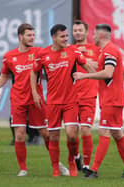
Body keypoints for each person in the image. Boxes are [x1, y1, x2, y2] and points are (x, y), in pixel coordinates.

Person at [0, 23, 69, 176]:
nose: (32, 38)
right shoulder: (9, 56)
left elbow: (55, 58)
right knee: (19, 134)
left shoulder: (39, 52)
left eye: (33, 35)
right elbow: (5, 75)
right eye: (29, 35)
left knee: (46, 134)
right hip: (18, 99)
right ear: (20, 37)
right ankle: (23, 169)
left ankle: (57, 164)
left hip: (37, 99)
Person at [30, 24, 96, 177]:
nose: (66, 39)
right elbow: (34, 73)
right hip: (52, 102)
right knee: (53, 136)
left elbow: (87, 66)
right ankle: (55, 168)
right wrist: (35, 92)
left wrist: (99, 78)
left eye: (67, 36)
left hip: (71, 101)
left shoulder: (73, 51)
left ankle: (72, 161)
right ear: (54, 38)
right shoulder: (43, 54)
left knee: (72, 135)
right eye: (62, 36)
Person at [73, 24, 124, 178]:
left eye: (94, 34)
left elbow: (108, 73)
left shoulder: (110, 51)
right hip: (110, 99)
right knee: (117, 134)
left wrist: (84, 76)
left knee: (104, 131)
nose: (92, 37)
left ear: (101, 35)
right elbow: (98, 67)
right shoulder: (105, 52)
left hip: (112, 99)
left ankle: (93, 170)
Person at [72, 20, 100, 171]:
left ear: (86, 32)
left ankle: (87, 165)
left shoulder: (95, 49)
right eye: (75, 30)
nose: (77, 32)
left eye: (80, 30)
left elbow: (101, 66)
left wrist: (85, 61)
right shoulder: (68, 50)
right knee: (72, 133)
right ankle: (76, 156)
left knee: (85, 129)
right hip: (71, 96)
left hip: (89, 94)